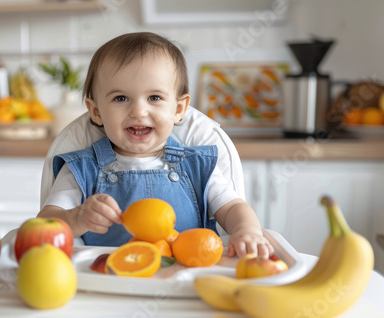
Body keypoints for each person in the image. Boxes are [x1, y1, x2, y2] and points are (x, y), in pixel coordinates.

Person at [38, 32, 273, 258]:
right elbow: (46, 225)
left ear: (179, 109)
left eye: (154, 98)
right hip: (108, 281)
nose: (139, 111)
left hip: (187, 279)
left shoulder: (198, 167)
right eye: (121, 98)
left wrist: (247, 232)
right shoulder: (81, 170)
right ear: (96, 112)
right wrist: (77, 218)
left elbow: (233, 208)